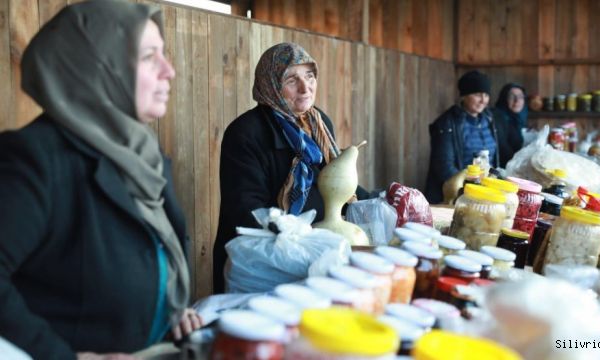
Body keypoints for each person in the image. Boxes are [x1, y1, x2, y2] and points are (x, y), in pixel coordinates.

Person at [0, 1, 202, 358]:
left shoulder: (142, 155)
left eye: (164, 54)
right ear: (96, 67)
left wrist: (168, 309)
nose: (169, 71)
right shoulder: (34, 160)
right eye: (148, 57)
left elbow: (143, 256)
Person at [213, 43, 368, 294]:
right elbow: (246, 211)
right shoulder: (245, 133)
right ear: (271, 85)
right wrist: (300, 239)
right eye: (291, 80)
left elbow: (333, 179)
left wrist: (376, 199)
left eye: (309, 76)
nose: (306, 88)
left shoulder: (318, 123)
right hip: (261, 264)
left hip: (312, 258)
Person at [424, 70, 499, 204]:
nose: (483, 100)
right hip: (457, 196)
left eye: (486, 95)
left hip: (484, 192)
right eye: (477, 94)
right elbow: (444, 168)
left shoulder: (488, 119)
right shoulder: (447, 123)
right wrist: (469, 191)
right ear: (463, 96)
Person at [493, 83, 526, 167]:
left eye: (520, 97)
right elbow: (503, 150)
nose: (517, 100)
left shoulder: (519, 117)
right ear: (504, 99)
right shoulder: (498, 117)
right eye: (512, 97)